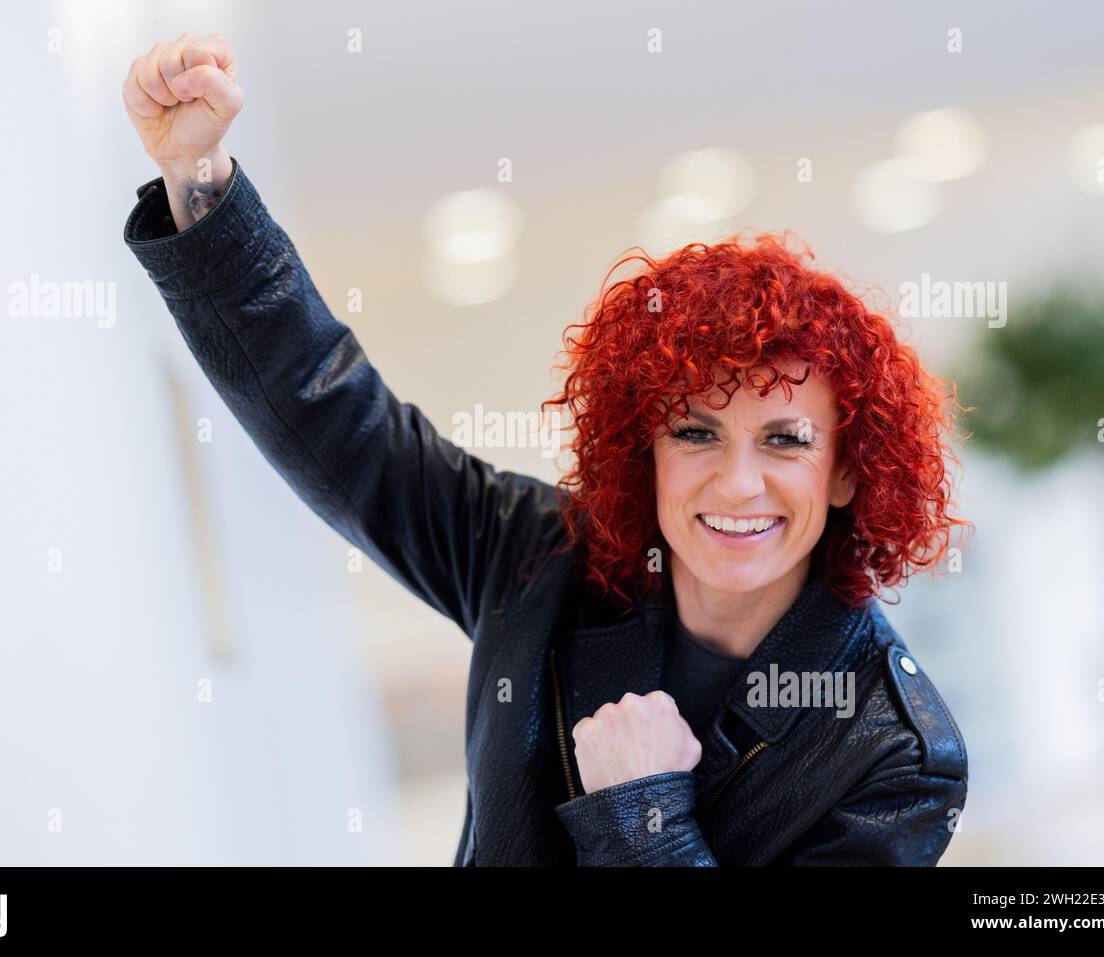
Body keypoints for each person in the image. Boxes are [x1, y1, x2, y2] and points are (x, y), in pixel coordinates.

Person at [121, 34, 970, 866]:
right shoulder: (535, 562)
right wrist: (198, 176)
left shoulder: (896, 753)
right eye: (696, 431)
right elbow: (336, 417)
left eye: (784, 440)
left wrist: (640, 814)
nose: (737, 480)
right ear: (647, 449)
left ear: (851, 468)